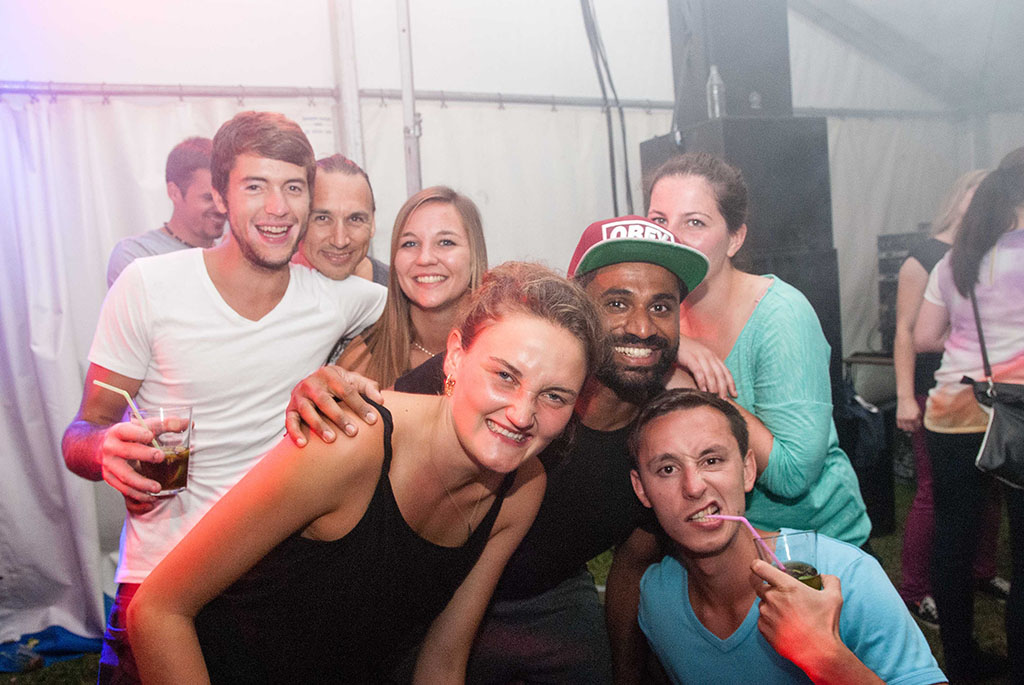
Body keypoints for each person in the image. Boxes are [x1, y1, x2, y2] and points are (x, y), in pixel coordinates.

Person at [126, 262, 606, 683]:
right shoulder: (352, 442)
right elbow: (157, 612)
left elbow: (442, 662)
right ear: (456, 356)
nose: (522, 414)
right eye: (505, 375)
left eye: (554, 396)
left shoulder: (522, 490)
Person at [286, 215, 710, 683]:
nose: (642, 327)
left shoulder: (659, 436)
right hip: (436, 590)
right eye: (616, 302)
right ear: (580, 313)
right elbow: (384, 424)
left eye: (661, 307)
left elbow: (633, 562)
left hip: (552, 596)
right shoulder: (492, 383)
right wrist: (330, 395)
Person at [61, 111, 387, 683]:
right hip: (159, 572)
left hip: (273, 576)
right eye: (255, 186)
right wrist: (104, 449)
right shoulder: (149, 285)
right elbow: (81, 433)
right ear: (220, 194)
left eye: (293, 188)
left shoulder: (339, 300)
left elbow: (434, 303)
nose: (278, 207)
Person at [629, 388, 947, 685]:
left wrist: (826, 656)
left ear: (748, 470)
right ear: (641, 489)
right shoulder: (657, 599)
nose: (694, 486)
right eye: (667, 469)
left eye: (712, 460)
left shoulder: (845, 575)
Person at [647, 152, 870, 546]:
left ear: (735, 238)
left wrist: (690, 386)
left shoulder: (781, 316)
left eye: (694, 222)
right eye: (659, 221)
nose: (672, 238)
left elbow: (792, 475)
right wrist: (673, 344)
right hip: (710, 541)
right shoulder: (655, 314)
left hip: (810, 548)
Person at [914, 153, 1024, 681]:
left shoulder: (953, 261)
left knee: (953, 541)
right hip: (1017, 415)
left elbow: (924, 337)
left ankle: (961, 662)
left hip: (953, 412)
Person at [894, 169, 1008, 627]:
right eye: (973, 192)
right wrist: (904, 396)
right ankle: (914, 591)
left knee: (992, 488)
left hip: (986, 394)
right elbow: (907, 332)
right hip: (934, 389)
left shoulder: (991, 254)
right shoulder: (926, 256)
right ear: (957, 198)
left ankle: (980, 571)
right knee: (933, 494)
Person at [338, 185, 488, 387]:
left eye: (445, 242)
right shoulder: (361, 360)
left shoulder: (504, 351)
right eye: (410, 243)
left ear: (474, 254)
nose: (424, 258)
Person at [106, 137, 226, 286]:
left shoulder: (231, 256)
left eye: (225, 198)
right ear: (174, 192)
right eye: (209, 198)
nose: (221, 208)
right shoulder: (137, 255)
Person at [293, 153, 388, 286]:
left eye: (355, 219)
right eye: (322, 218)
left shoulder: (403, 292)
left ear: (372, 223)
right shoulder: (272, 293)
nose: (340, 241)